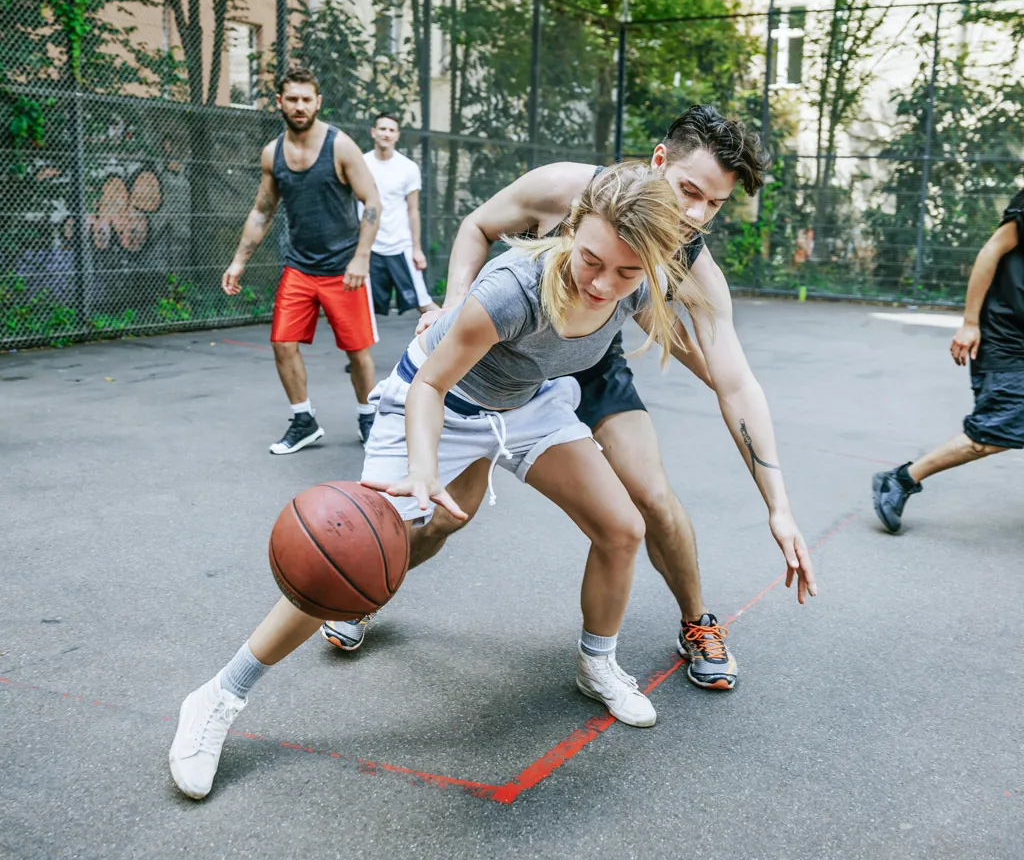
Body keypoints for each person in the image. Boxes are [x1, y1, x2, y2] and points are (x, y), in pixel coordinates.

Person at [169, 163, 813, 801]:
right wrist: (423, 467)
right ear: (571, 228)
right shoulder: (512, 289)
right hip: (442, 402)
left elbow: (728, 379)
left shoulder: (636, 283)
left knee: (622, 528)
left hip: (528, 405)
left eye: (625, 272)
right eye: (591, 260)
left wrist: (779, 508)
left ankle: (597, 664)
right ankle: (220, 694)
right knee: (352, 547)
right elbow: (430, 385)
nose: (602, 284)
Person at [322, 106, 817, 691]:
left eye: (714, 204)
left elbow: (733, 381)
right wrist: (457, 304)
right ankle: (362, 589)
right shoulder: (565, 188)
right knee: (446, 516)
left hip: (590, 358)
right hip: (503, 353)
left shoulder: (689, 259)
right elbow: (477, 226)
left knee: (650, 499)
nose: (695, 215)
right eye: (689, 191)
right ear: (659, 161)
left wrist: (778, 506)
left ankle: (696, 622)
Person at [221, 66, 383, 451]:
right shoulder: (272, 153)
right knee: (282, 343)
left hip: (345, 269)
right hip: (300, 266)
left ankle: (368, 416)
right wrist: (238, 261)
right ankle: (303, 419)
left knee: (357, 352)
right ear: (280, 102)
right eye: (292, 99)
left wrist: (361, 259)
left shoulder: (340, 146)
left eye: (306, 99)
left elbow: (373, 202)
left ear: (317, 102)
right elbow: (262, 210)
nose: (299, 106)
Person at [872, 189, 1024, 532]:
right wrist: (970, 322)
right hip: (1008, 337)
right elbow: (993, 249)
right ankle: (900, 479)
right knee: (994, 430)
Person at [363, 113, 438, 318]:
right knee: (360, 306)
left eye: (391, 130)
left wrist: (417, 249)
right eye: (382, 129)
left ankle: (456, 337)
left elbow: (413, 210)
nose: (386, 134)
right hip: (368, 248)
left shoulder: (408, 168)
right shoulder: (360, 164)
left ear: (397, 135)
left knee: (424, 304)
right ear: (373, 132)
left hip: (400, 245)